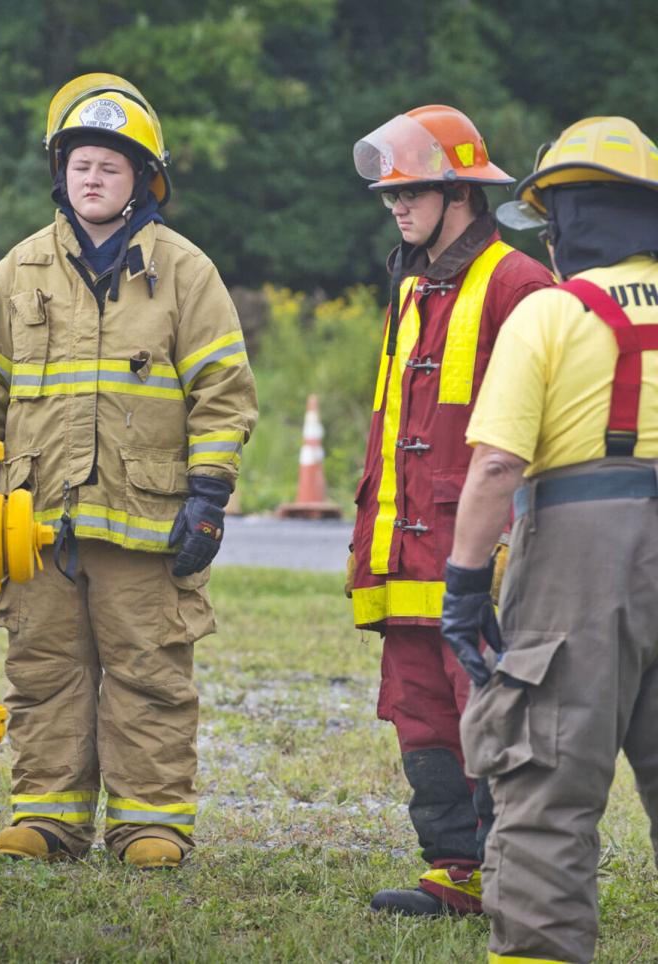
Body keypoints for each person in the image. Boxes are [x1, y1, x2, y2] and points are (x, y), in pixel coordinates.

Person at [0, 73, 258, 870]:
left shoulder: (186, 272)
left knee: (148, 669)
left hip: (146, 520)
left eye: (111, 167)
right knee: (43, 668)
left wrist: (209, 494)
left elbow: (224, 392)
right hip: (35, 520)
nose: (93, 179)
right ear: (61, 174)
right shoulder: (18, 271)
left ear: (142, 182)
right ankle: (47, 820)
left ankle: (149, 824)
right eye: (81, 164)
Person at [444, 115, 658, 964]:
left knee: (547, 775)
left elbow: (497, 465)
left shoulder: (550, 313)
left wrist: (465, 588)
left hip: (580, 551)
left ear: (565, 220)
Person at [348, 105, 553, 916]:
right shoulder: (412, 282)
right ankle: (455, 870)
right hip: (401, 553)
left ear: (459, 191)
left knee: (491, 711)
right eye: (391, 196)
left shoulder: (518, 283)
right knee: (418, 709)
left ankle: (517, 875)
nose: (398, 207)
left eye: (415, 191)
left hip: (480, 550)